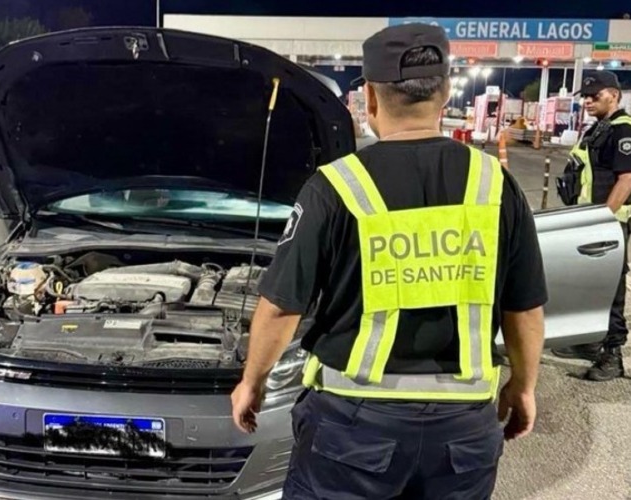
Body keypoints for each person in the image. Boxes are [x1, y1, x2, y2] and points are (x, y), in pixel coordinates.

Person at [230, 23, 547, 499]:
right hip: (461, 430)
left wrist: (251, 383)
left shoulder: (335, 186)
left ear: (371, 102)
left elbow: (280, 308)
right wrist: (523, 387)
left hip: (353, 428)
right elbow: (523, 309)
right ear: (443, 96)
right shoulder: (495, 185)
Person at [551, 71, 631, 381]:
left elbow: (627, 179)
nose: (587, 100)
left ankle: (613, 356)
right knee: (587, 281)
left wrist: (603, 218)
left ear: (614, 95)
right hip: (589, 218)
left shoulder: (622, 130)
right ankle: (589, 340)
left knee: (611, 288)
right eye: (585, 96)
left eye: (594, 95)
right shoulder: (599, 128)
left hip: (608, 222)